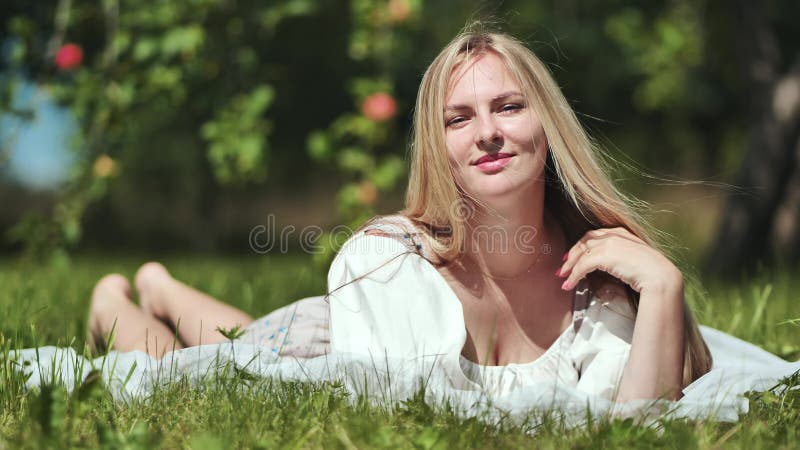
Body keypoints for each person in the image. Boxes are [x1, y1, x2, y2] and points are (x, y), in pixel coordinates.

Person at [88, 28, 715, 405]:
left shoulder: (603, 281)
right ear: (438, 146)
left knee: (232, 342)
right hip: (321, 343)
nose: (489, 133)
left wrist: (663, 285)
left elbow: (642, 424)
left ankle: (161, 286)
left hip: (332, 330)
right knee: (180, 372)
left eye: (509, 107)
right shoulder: (388, 262)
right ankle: (121, 292)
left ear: (547, 127)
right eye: (460, 118)